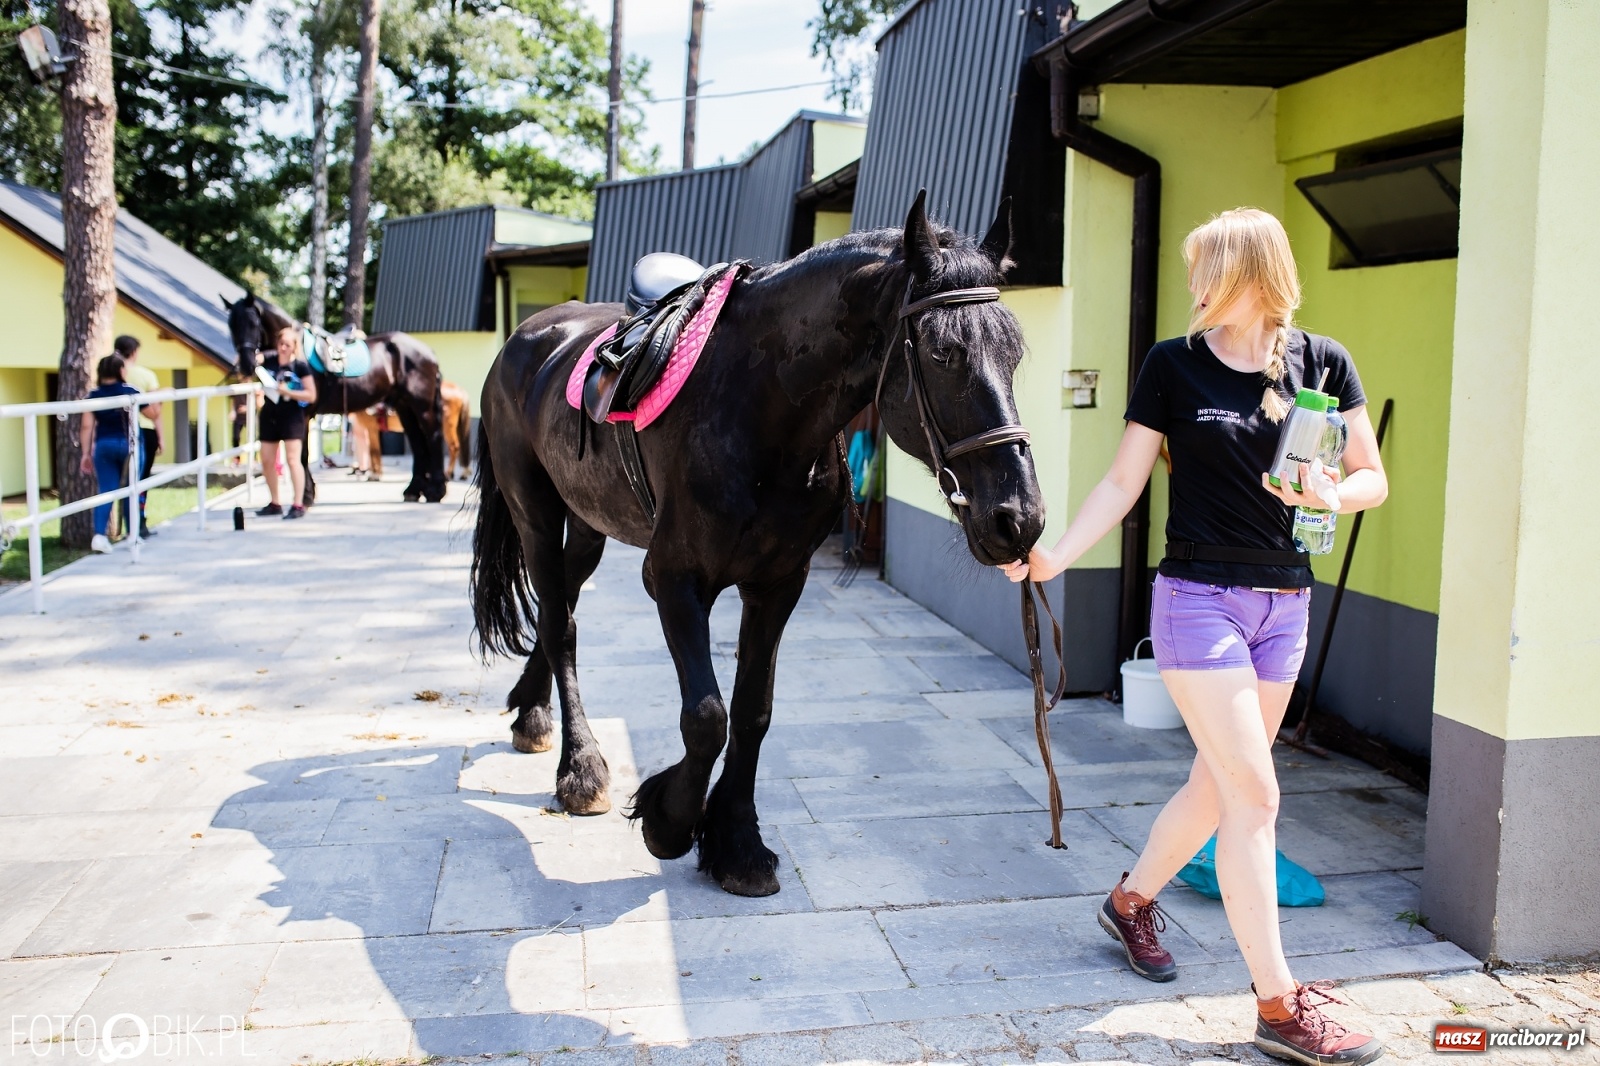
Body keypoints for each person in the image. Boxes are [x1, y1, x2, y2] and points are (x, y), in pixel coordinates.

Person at [1001, 208, 1389, 1066]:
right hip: (1197, 601)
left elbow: (1373, 476)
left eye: (1203, 270)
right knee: (1256, 798)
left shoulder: (1323, 363)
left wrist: (1331, 495)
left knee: (1218, 790)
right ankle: (1279, 1006)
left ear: (1250, 273)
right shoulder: (1173, 365)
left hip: (1284, 605)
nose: (1191, 288)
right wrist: (1056, 555)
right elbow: (1122, 480)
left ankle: (1131, 899)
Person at [77, 355, 144, 554]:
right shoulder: (131, 391)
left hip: (104, 445)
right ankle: (133, 534)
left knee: (106, 490)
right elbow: (152, 413)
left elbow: (86, 426)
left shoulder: (93, 396)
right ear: (120, 371)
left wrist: (85, 454)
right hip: (129, 444)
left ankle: (99, 536)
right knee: (132, 488)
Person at [256, 326, 317, 519]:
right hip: (270, 415)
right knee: (266, 459)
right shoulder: (269, 360)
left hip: (292, 416)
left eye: (287, 345)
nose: (283, 348)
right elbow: (252, 360)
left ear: (294, 347)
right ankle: (275, 502)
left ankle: (298, 503)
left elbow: (311, 395)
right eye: (281, 343)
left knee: (293, 460)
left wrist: (287, 392)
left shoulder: (300, 366)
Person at [114, 335, 162, 537]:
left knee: (121, 484)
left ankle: (125, 525)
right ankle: (138, 524)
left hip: (116, 431)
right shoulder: (145, 375)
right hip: (144, 431)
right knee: (140, 481)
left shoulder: (109, 374)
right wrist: (162, 438)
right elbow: (155, 411)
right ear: (134, 352)